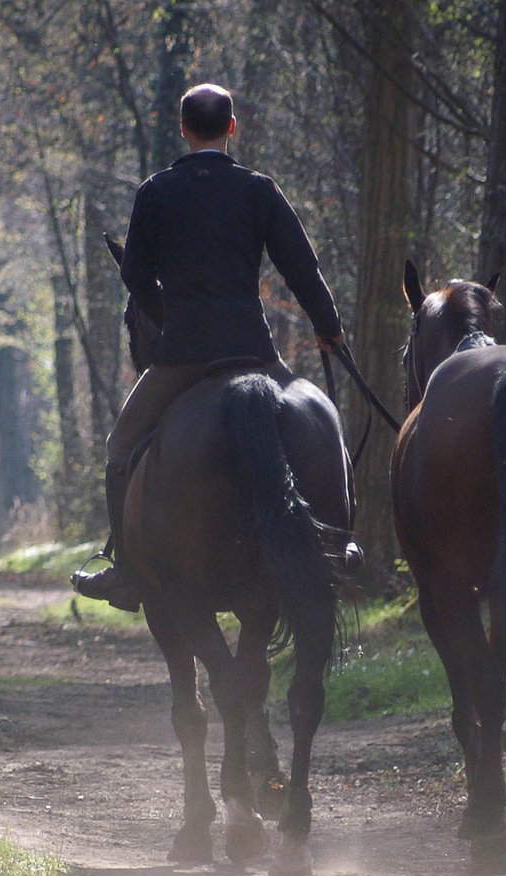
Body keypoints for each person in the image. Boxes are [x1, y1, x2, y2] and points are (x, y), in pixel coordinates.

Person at [71, 83, 346, 612]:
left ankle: (125, 570)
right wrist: (328, 326)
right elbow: (301, 267)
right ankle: (342, 544)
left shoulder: (155, 192)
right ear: (232, 127)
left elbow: (134, 274)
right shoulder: (259, 190)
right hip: (254, 350)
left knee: (120, 446)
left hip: (183, 355)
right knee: (323, 425)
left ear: (183, 129)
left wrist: (170, 320)